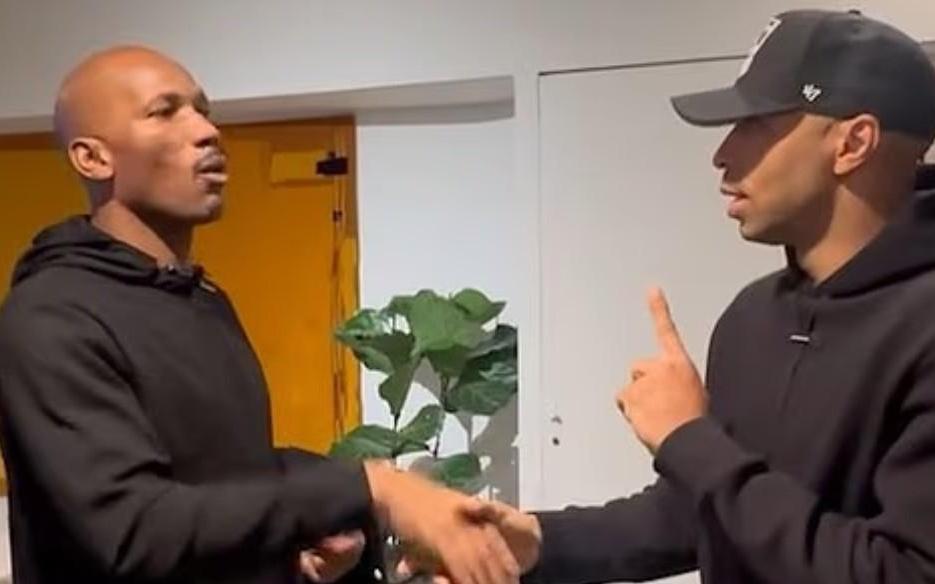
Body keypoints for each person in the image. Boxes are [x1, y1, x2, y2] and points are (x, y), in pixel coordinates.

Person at [0, 46, 520, 584]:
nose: (207, 131)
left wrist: (296, 552)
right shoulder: (50, 316)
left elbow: (230, 478)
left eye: (203, 111)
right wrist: (369, 488)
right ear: (93, 158)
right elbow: (132, 531)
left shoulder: (203, 300)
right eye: (165, 112)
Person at [491, 9, 935, 584]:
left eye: (757, 124)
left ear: (853, 143)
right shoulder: (753, 317)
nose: (722, 154)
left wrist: (691, 440)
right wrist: (535, 544)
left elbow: (900, 571)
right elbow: (702, 512)